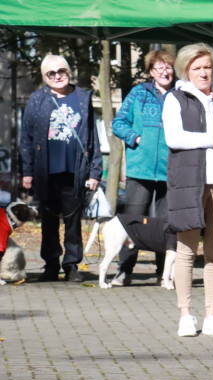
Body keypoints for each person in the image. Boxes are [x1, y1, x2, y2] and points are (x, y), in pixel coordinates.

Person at [162, 43, 213, 338]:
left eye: (208, 67)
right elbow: (174, 138)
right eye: (196, 68)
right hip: (189, 182)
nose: (203, 73)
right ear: (186, 70)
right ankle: (185, 315)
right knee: (186, 250)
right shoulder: (176, 98)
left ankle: (212, 316)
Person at [19, 54, 102, 282]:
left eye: (61, 71)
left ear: (68, 71)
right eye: (51, 73)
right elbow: (26, 138)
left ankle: (72, 265)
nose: (57, 76)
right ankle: (51, 265)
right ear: (45, 77)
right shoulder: (37, 100)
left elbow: (92, 139)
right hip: (46, 171)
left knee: (73, 221)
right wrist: (27, 171)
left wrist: (95, 172)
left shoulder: (83, 98)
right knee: (48, 222)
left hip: (75, 172)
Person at [111, 49, 175, 286]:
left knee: (166, 224)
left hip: (171, 171)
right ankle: (124, 271)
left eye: (168, 66)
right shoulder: (138, 93)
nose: (164, 71)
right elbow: (118, 122)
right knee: (133, 222)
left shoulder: (181, 95)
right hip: (140, 170)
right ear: (150, 72)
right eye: (159, 67)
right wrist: (135, 138)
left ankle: (164, 274)